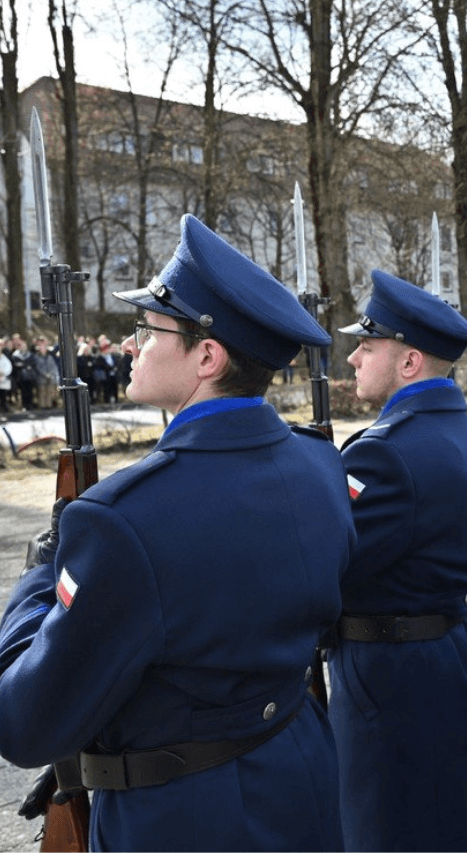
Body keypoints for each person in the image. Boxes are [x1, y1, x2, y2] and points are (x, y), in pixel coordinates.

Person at [0, 213, 351, 850]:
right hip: (298, 773)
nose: (131, 345)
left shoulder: (121, 519)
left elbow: (25, 723)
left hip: (184, 819)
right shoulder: (320, 464)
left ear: (207, 357)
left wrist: (38, 581)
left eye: (147, 329)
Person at [333, 270, 467, 852]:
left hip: (394, 678)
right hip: (458, 651)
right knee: (456, 821)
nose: (354, 356)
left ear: (409, 363)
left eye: (367, 345)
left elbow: (329, 566)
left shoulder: (385, 452)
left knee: (391, 828)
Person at [31, 336, 59, 410]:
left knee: (49, 391)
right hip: (41, 377)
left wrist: (51, 374)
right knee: (42, 392)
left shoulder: (50, 356)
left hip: (50, 377)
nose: (43, 349)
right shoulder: (36, 356)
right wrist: (45, 374)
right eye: (41, 347)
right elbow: (38, 367)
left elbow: (53, 366)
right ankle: (42, 406)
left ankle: (48, 405)